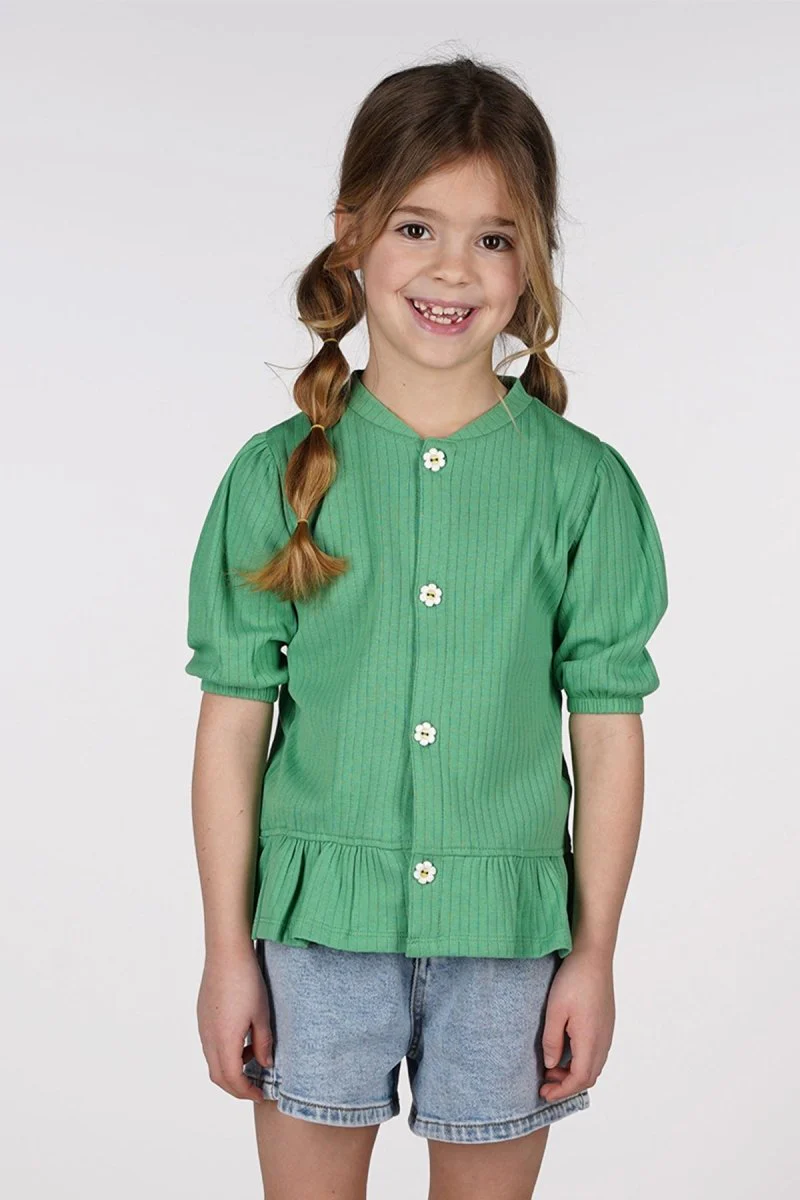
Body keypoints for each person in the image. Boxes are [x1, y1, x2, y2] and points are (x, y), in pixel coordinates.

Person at [184, 54, 669, 1200]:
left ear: (530, 258)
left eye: (493, 238)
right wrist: (224, 953)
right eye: (416, 227)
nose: (453, 268)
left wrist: (593, 954)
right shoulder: (274, 477)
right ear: (351, 235)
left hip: (508, 946)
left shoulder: (581, 487)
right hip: (313, 939)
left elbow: (606, 733)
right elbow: (231, 729)